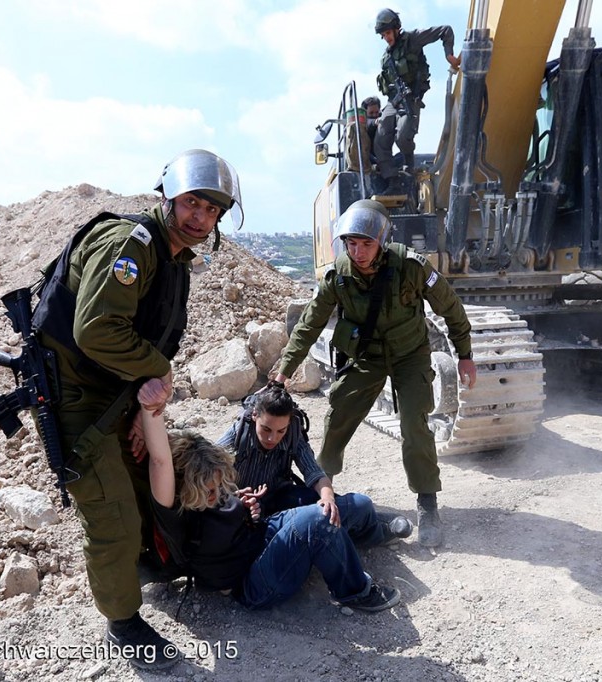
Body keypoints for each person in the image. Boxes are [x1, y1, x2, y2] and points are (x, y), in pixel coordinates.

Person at [33, 148, 242, 671]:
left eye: (211, 210)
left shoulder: (173, 261)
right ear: (169, 197)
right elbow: (97, 330)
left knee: (146, 489)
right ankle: (123, 622)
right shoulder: (134, 244)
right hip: (76, 402)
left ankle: (144, 572)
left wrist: (135, 408)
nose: (200, 217)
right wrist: (160, 372)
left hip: (113, 397)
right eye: (192, 203)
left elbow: (141, 343)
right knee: (113, 516)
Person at [274, 199, 477, 548]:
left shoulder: (411, 267)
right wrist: (284, 371)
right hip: (366, 356)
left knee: (415, 423)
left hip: (409, 355)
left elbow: (450, 307)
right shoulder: (338, 275)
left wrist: (464, 354)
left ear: (382, 241)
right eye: (351, 243)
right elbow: (309, 324)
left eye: (366, 243)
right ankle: (321, 491)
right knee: (338, 414)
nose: (358, 251)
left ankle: (427, 503)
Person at [139, 399, 402, 615]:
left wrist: (243, 507)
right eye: (210, 491)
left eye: (220, 488)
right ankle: (357, 592)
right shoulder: (173, 509)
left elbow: (225, 512)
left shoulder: (215, 491)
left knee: (354, 506)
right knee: (318, 521)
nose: (218, 494)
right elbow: (161, 461)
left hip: (261, 535)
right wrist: (150, 404)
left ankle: (370, 534)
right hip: (250, 582)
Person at [218, 383, 413, 543]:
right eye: (266, 429)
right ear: (254, 416)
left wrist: (328, 498)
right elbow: (203, 474)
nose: (272, 438)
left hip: (281, 497)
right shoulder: (237, 436)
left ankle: (371, 523)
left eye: (280, 431)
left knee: (347, 505)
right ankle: (374, 527)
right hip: (245, 508)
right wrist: (236, 499)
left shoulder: (293, 432)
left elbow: (313, 472)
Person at [371, 8, 461, 195]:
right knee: (381, 138)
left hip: (410, 97)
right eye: (383, 35)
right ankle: (393, 181)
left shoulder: (412, 39)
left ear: (396, 29)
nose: (386, 38)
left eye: (388, 33)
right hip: (392, 101)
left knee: (403, 136)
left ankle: (409, 165)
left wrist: (449, 55)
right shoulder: (387, 57)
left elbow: (445, 30)